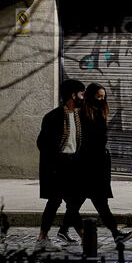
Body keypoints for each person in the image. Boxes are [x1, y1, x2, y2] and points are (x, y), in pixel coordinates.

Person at [78, 82, 132, 244]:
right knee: (87, 202)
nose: (101, 100)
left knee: (95, 202)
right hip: (89, 164)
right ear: (90, 97)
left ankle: (115, 233)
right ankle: (115, 233)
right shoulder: (84, 114)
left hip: (99, 162)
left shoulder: (99, 112)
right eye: (98, 97)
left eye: (103, 97)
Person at [34, 79, 86, 252]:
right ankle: (43, 238)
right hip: (57, 165)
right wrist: (54, 163)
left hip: (73, 164)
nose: (83, 97)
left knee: (72, 201)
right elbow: (42, 143)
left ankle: (80, 235)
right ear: (73, 95)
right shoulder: (53, 117)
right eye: (81, 93)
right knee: (55, 200)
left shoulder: (80, 116)